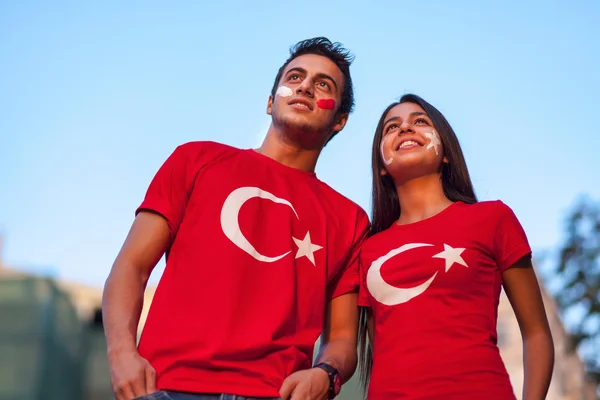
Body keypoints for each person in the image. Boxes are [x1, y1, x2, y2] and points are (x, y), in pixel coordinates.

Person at [102, 37, 369, 400]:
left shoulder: (350, 219)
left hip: (274, 393)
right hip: (168, 386)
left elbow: (341, 338)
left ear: (339, 119)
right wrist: (121, 355)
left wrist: (325, 375)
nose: (305, 86)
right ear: (270, 101)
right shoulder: (195, 160)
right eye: (295, 77)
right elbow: (131, 266)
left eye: (323, 84)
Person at [357, 94, 554, 399]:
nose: (405, 128)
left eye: (420, 121)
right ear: (381, 165)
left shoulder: (492, 219)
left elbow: (537, 333)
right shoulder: (368, 250)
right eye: (391, 127)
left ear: (446, 151)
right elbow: (380, 350)